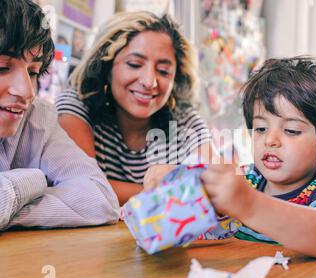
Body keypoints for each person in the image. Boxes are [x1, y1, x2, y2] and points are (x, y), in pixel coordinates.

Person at [201, 57, 316, 259]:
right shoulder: (245, 179)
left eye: (291, 130)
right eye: (260, 128)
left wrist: (248, 204)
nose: (270, 140)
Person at [56, 12, 215, 206]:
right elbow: (81, 186)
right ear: (106, 66)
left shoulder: (184, 120)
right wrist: (166, 191)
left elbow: (218, 188)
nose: (149, 82)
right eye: (134, 64)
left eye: (163, 71)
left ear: (176, 78)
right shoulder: (77, 105)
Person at [0, 0, 119, 230]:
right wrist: (34, 180)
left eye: (33, 72)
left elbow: (101, 198)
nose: (27, 91)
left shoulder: (37, 117)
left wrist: (9, 206)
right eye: (2, 67)